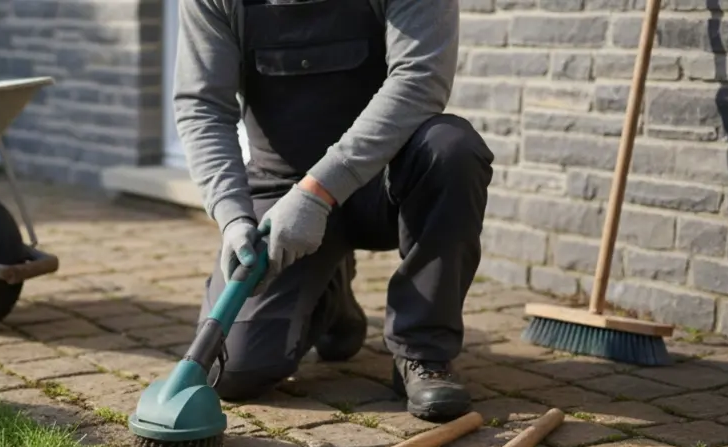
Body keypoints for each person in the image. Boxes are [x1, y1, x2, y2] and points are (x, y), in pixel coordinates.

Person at [173, 0, 493, 422]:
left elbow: (420, 79)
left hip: (389, 181)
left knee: (452, 150)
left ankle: (424, 350)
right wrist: (232, 214)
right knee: (233, 371)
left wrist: (319, 191)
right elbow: (203, 106)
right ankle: (330, 293)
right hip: (280, 189)